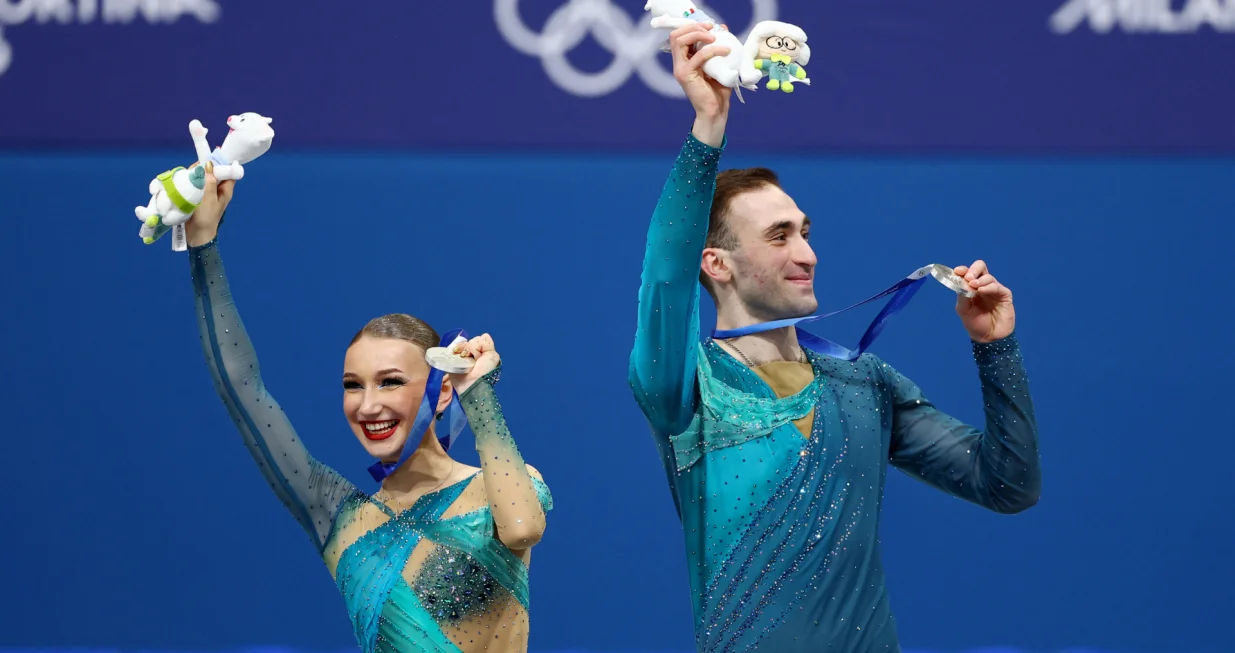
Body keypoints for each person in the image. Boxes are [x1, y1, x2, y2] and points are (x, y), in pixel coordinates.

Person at [627, 23, 1041, 653]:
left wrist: (996, 349)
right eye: (779, 237)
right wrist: (708, 127)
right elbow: (664, 273)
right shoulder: (686, 387)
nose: (807, 254)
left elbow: (1008, 485)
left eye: (805, 232)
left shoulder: (865, 383)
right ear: (715, 264)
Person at [180, 162, 552, 653]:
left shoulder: (502, 485)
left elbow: (523, 528)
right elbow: (242, 388)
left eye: (391, 382)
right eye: (353, 386)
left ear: (441, 391)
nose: (368, 404)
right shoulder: (336, 514)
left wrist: (479, 395)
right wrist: (203, 244)